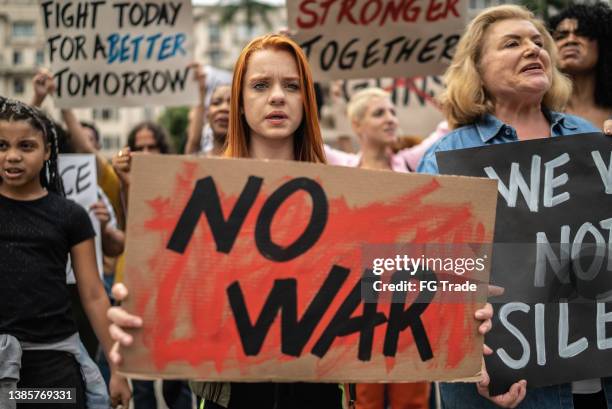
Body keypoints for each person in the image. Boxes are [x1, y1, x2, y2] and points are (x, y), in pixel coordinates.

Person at [106, 33, 498, 409]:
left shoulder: (352, 195)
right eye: (260, 85)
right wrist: (137, 313)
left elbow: (386, 275)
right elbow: (175, 289)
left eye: (292, 86)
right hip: (231, 394)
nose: (277, 96)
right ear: (239, 102)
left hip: (321, 388)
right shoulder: (199, 195)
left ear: (307, 101)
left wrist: (456, 300)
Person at [417, 5, 609, 409]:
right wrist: (463, 332)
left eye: (539, 43)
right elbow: (403, 279)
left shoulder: (591, 140)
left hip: (595, 381)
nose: (533, 50)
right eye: (512, 43)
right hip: (499, 383)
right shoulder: (448, 156)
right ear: (477, 69)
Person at [0, 97, 130, 409]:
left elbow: (94, 294)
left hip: (54, 370)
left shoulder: (70, 215)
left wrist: (117, 369)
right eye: (2, 145)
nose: (12, 156)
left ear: (47, 152)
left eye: (26, 146)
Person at [336, 87, 430, 409]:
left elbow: (448, 127)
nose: (391, 119)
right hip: (360, 304)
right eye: (379, 113)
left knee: (411, 400)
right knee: (365, 399)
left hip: (409, 301)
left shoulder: (411, 162)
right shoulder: (343, 167)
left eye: (393, 112)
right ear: (357, 124)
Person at [549, 3, 612, 131]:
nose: (570, 40)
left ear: (603, 44)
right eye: (561, 36)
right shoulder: (536, 110)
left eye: (582, 33)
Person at [185, 64, 231, 156]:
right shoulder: (198, 159)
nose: (224, 108)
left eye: (231, 103)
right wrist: (201, 90)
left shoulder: (253, 159)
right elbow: (193, 143)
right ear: (207, 114)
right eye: (216, 102)